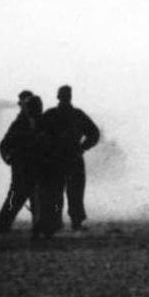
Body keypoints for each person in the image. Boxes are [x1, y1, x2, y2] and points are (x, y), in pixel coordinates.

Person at [42, 85, 101, 232]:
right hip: (72, 157)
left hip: (56, 159)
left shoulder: (50, 115)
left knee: (56, 192)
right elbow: (94, 133)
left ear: (58, 96)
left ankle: (56, 223)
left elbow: (39, 134)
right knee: (75, 192)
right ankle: (76, 222)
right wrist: (82, 147)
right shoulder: (77, 115)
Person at [0, 92, 47, 233]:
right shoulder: (21, 124)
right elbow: (4, 145)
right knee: (19, 196)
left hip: (35, 167)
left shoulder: (44, 123)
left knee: (32, 197)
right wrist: (9, 158)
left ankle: (36, 226)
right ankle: (3, 224)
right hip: (23, 167)